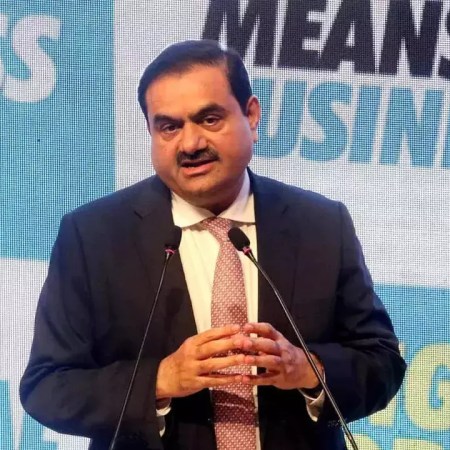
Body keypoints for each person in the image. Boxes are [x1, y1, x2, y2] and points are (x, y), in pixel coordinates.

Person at [20, 40, 406, 450]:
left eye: (209, 119)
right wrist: (160, 380)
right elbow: (47, 386)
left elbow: (381, 361)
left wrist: (309, 370)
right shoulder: (94, 236)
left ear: (251, 115)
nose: (190, 144)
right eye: (169, 127)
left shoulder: (321, 225)